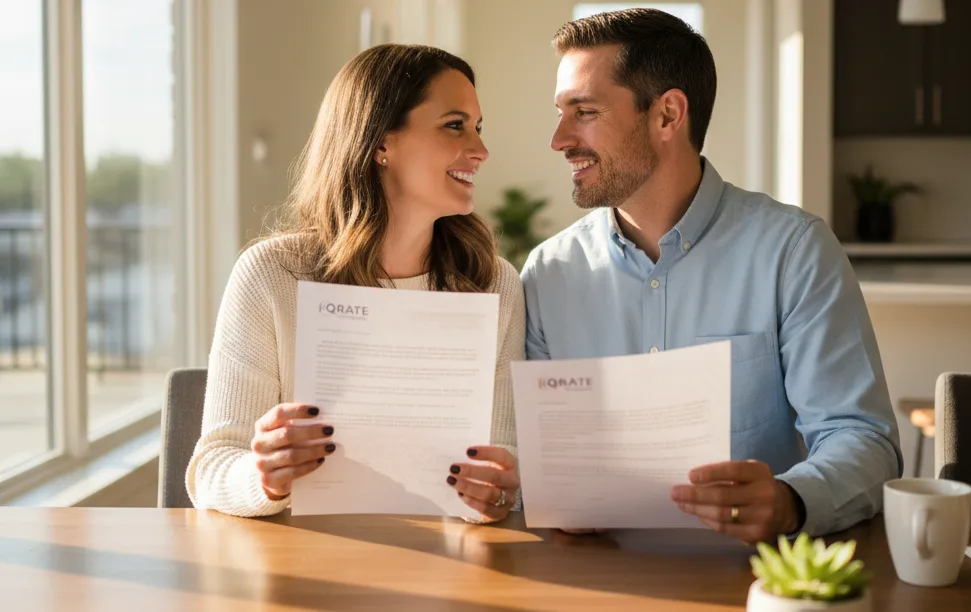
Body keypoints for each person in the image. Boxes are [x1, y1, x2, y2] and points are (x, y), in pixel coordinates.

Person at [521, 8, 903, 543]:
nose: (559, 139)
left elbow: (862, 438)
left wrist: (792, 500)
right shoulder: (548, 273)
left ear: (667, 116)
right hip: (589, 584)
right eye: (561, 113)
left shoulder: (792, 251)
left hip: (746, 581)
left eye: (583, 112)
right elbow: (534, 460)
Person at [185, 44, 523, 522]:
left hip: (449, 574)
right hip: (306, 570)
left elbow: (506, 466)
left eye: (477, 127)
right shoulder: (271, 274)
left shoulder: (494, 284)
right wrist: (263, 476)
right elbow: (212, 470)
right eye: (455, 125)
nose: (481, 150)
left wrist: (498, 495)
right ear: (381, 143)